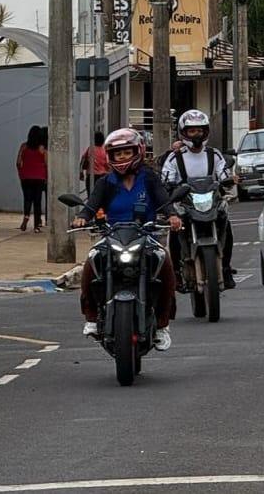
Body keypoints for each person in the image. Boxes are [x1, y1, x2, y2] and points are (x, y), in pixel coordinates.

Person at [71, 128, 179, 351]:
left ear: (137, 152)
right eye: (118, 154)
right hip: (112, 237)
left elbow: (162, 199)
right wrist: (82, 218)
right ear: (110, 156)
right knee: (91, 263)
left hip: (145, 235)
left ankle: (162, 326)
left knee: (166, 264)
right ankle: (91, 318)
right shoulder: (106, 183)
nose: (122, 158)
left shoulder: (148, 178)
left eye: (126, 153)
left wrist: (172, 215)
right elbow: (91, 205)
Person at [161, 110, 236, 289]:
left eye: (200, 130)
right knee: (176, 228)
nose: (196, 134)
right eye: (192, 131)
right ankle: (177, 272)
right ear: (183, 132)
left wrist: (229, 180)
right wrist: (169, 187)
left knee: (226, 222)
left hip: (211, 200)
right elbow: (165, 178)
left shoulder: (214, 154)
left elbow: (224, 172)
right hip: (186, 202)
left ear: (206, 131)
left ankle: (225, 267)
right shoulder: (174, 156)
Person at [16, 125, 48, 233]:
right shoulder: (42, 149)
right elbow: (47, 164)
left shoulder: (24, 146)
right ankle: (36, 226)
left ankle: (26, 217)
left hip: (26, 177)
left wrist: (21, 174)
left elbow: (18, 162)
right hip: (39, 178)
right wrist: (46, 177)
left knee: (27, 199)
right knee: (37, 201)